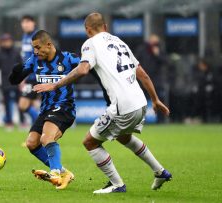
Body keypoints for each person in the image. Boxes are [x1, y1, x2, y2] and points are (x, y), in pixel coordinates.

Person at [33, 13, 172, 194]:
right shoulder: (119, 42)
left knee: (90, 142)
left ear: (87, 30)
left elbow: (83, 70)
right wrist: (155, 99)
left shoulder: (90, 44)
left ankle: (117, 184)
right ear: (105, 27)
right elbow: (142, 74)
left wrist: (56, 84)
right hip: (140, 103)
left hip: (123, 106)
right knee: (124, 137)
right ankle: (160, 171)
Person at [9, 30, 80, 190]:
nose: (35, 51)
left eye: (37, 47)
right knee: (32, 143)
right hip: (46, 109)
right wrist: (16, 71)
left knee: (46, 138)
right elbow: (14, 81)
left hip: (65, 107)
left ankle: (54, 172)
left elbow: (89, 68)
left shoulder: (68, 58)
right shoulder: (35, 60)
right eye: (33, 48)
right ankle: (63, 171)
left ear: (49, 45)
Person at [135, 34, 168, 123]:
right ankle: (141, 120)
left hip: (156, 80)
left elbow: (165, 61)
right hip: (144, 80)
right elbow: (135, 63)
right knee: (142, 101)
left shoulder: (159, 50)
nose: (155, 44)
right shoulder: (142, 50)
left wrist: (157, 55)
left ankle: (161, 120)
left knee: (159, 100)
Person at [0, 33, 22, 129]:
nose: (7, 43)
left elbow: (22, 67)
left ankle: (22, 121)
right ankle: (9, 122)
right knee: (7, 104)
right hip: (5, 82)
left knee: (20, 102)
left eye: (8, 41)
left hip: (17, 81)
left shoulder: (16, 52)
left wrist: (23, 80)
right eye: (5, 41)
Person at [18, 15, 39, 127]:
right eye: (23, 22)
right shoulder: (25, 37)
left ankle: (39, 126)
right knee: (30, 104)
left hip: (35, 77)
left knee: (23, 104)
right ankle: (37, 132)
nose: (25, 24)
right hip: (29, 77)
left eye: (27, 22)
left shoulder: (37, 37)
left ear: (33, 23)